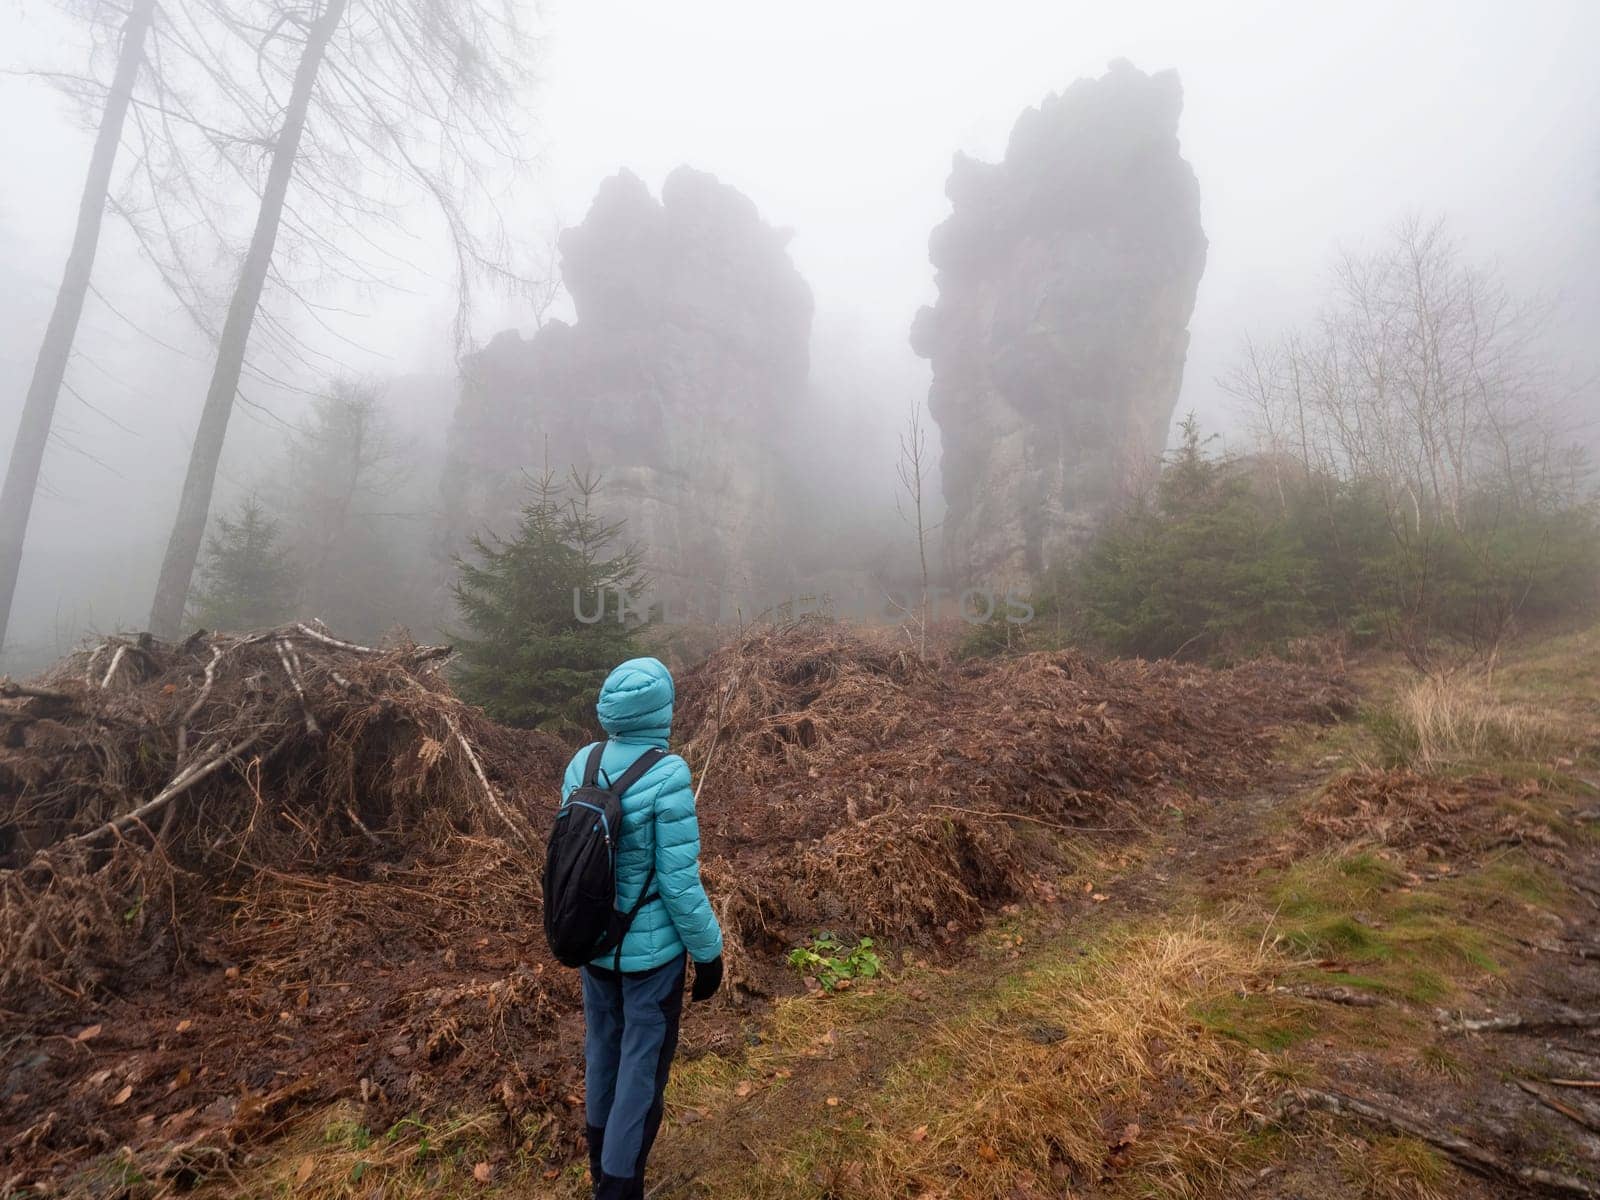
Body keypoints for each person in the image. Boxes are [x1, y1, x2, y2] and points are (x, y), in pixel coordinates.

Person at [561, 656, 724, 1200]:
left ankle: (600, 1169)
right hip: (652, 960)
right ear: (662, 710)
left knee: (603, 1048)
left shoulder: (582, 764)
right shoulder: (669, 773)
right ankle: (621, 1186)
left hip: (592, 944)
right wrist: (710, 954)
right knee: (640, 1067)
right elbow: (679, 885)